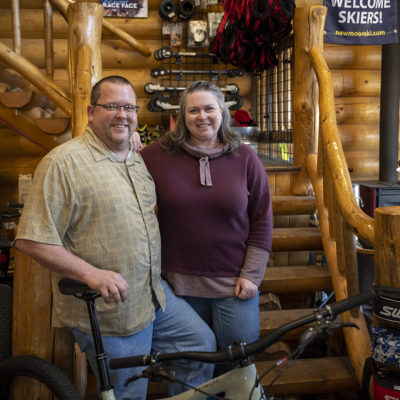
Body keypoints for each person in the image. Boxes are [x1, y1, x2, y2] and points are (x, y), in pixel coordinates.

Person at [15, 76, 216, 399]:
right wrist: (91, 274)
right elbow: (31, 239)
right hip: (110, 313)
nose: (122, 114)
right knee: (131, 394)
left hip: (152, 297)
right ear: (92, 111)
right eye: (112, 107)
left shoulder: (136, 157)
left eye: (128, 107)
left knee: (199, 346)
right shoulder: (63, 163)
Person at [140, 80, 273, 375]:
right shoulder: (155, 156)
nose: (202, 116)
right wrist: (131, 144)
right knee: (191, 371)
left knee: (236, 368)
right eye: (194, 110)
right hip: (178, 286)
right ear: (182, 117)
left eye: (209, 108)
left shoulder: (246, 158)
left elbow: (262, 218)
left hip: (235, 285)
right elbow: (123, 164)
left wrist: (252, 275)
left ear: (222, 112)